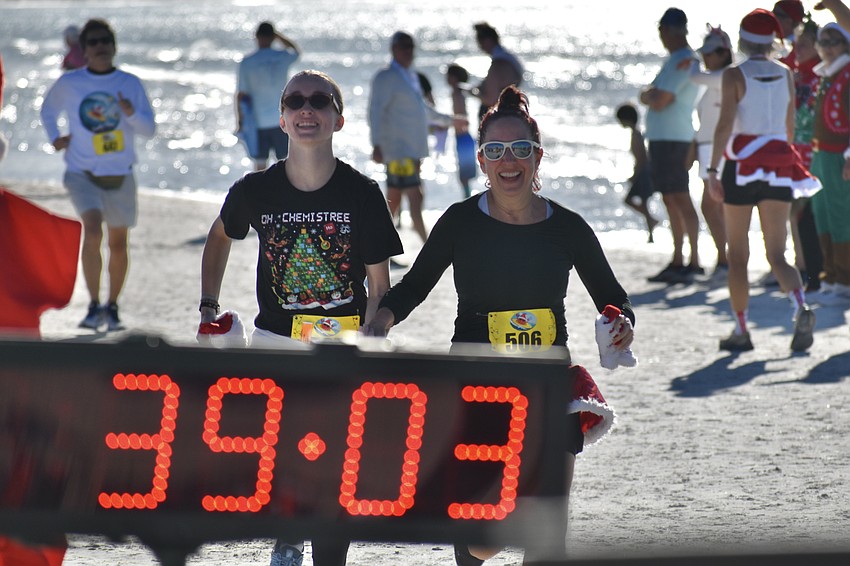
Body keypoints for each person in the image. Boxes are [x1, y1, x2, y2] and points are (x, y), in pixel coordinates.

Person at [363, 86, 634, 565]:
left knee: (548, 528)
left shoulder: (568, 228)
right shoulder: (460, 222)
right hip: (475, 388)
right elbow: (416, 285)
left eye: (520, 149)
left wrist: (621, 324)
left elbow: (613, 299)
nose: (508, 160)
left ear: (537, 156)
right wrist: (381, 319)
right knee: (478, 540)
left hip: (549, 386)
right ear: (483, 162)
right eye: (495, 150)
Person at [199, 70, 403, 566]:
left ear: (338, 118)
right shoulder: (256, 189)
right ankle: (288, 537)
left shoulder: (362, 193)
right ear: (283, 118)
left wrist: (372, 342)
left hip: (342, 343)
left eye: (319, 101)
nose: (306, 109)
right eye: (296, 101)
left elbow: (379, 286)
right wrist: (209, 305)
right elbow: (221, 236)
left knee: (337, 465)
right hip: (274, 340)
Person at [707, 9, 821, 352]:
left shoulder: (734, 75)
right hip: (778, 163)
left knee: (738, 255)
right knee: (778, 254)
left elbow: (725, 124)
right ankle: (800, 305)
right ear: (773, 40)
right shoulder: (786, 73)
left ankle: (742, 330)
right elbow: (788, 125)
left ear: (743, 40)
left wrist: (712, 171)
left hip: (741, 165)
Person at [40, 18, 156, 331]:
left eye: (106, 40)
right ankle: (93, 306)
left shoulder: (129, 83)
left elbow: (149, 130)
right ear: (84, 49)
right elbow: (48, 109)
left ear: (114, 46)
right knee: (92, 231)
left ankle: (112, 306)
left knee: (118, 244)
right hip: (82, 172)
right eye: (93, 41)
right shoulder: (71, 83)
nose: (101, 46)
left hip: (120, 174)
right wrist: (55, 137)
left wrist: (130, 112)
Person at [368, 31, 452, 244]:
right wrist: (376, 143)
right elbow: (375, 111)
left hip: (411, 152)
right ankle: (427, 246)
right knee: (412, 197)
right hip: (398, 152)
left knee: (398, 198)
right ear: (393, 49)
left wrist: (450, 120)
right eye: (403, 46)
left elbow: (424, 110)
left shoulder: (410, 76)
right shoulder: (386, 77)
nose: (408, 51)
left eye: (411, 46)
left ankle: (382, 246)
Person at [640, 8, 703, 284]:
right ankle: (679, 258)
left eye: (663, 30)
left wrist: (650, 95)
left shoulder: (685, 60)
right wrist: (649, 95)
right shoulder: (675, 60)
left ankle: (693, 259)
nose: (662, 37)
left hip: (674, 137)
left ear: (673, 31)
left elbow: (660, 98)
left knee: (680, 196)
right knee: (670, 196)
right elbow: (648, 94)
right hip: (665, 137)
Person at [808, 22, 850, 302]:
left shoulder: (847, 75)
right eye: (823, 42)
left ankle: (846, 278)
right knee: (822, 213)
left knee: (841, 215)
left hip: (839, 156)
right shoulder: (827, 75)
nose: (827, 47)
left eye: (834, 41)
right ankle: (831, 273)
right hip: (821, 155)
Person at [689, 25, 734, 277]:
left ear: (724, 53)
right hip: (708, 147)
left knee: (715, 203)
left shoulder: (726, 76)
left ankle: (727, 258)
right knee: (715, 205)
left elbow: (694, 76)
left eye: (710, 52)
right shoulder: (717, 78)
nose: (706, 57)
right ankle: (724, 257)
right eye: (704, 53)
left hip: (721, 148)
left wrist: (692, 61)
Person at [788, 18, 824, 292]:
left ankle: (814, 271)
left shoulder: (820, 76)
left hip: (815, 155)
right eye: (796, 43)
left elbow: (808, 118)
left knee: (809, 215)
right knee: (795, 213)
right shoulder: (794, 74)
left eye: (803, 44)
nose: (797, 49)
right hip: (793, 155)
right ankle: (804, 269)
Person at [237, 21, 301, 171]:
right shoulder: (281, 56)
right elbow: (296, 51)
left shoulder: (247, 62)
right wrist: (278, 36)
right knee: (286, 164)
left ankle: (261, 195)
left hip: (257, 121)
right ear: (273, 37)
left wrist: (240, 120)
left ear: (256, 36)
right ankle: (285, 194)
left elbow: (241, 94)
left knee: (260, 165)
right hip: (281, 119)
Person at [615, 103, 659, 242]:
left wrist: (635, 175)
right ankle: (651, 230)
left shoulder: (636, 135)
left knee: (632, 200)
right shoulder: (636, 133)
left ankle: (651, 224)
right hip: (644, 171)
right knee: (643, 203)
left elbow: (642, 159)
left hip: (644, 172)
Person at [471, 22, 524, 120]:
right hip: (511, 115)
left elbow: (490, 99)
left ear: (488, 40)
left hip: (498, 119)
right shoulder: (509, 58)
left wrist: (473, 92)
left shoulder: (499, 64)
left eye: (480, 41)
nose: (480, 46)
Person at [446, 63, 477, 198]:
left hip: (463, 137)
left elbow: (460, 116)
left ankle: (467, 200)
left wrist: (448, 122)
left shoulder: (456, 92)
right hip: (463, 137)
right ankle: (467, 199)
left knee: (464, 176)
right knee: (464, 176)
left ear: (454, 77)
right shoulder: (459, 91)